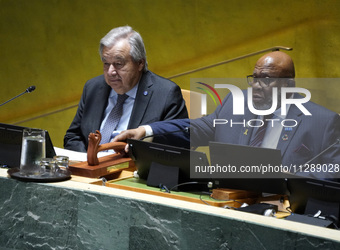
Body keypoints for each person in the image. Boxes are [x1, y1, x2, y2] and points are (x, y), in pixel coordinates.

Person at [113, 51, 340, 179]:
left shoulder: (323, 121)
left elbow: (333, 171)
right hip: (231, 199)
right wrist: (146, 131)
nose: (257, 86)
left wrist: (290, 176)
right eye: (255, 78)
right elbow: (201, 128)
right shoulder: (236, 102)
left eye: (267, 80)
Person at [64, 26, 188, 152]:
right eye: (106, 63)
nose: (111, 72)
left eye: (118, 64)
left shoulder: (166, 94)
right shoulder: (93, 87)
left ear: (140, 63)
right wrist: (89, 161)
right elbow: (73, 136)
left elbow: (177, 148)